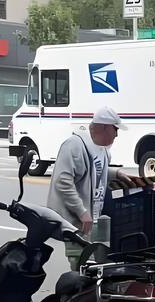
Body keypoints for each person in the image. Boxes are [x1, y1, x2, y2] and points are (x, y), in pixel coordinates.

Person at [47, 106, 132, 270]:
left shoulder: (103, 151)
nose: (116, 134)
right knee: (79, 263)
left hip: (92, 219)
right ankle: (74, 294)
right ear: (104, 127)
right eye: (115, 129)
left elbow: (96, 172)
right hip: (75, 221)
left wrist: (117, 173)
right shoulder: (75, 145)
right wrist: (81, 212)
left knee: (92, 266)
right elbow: (63, 181)